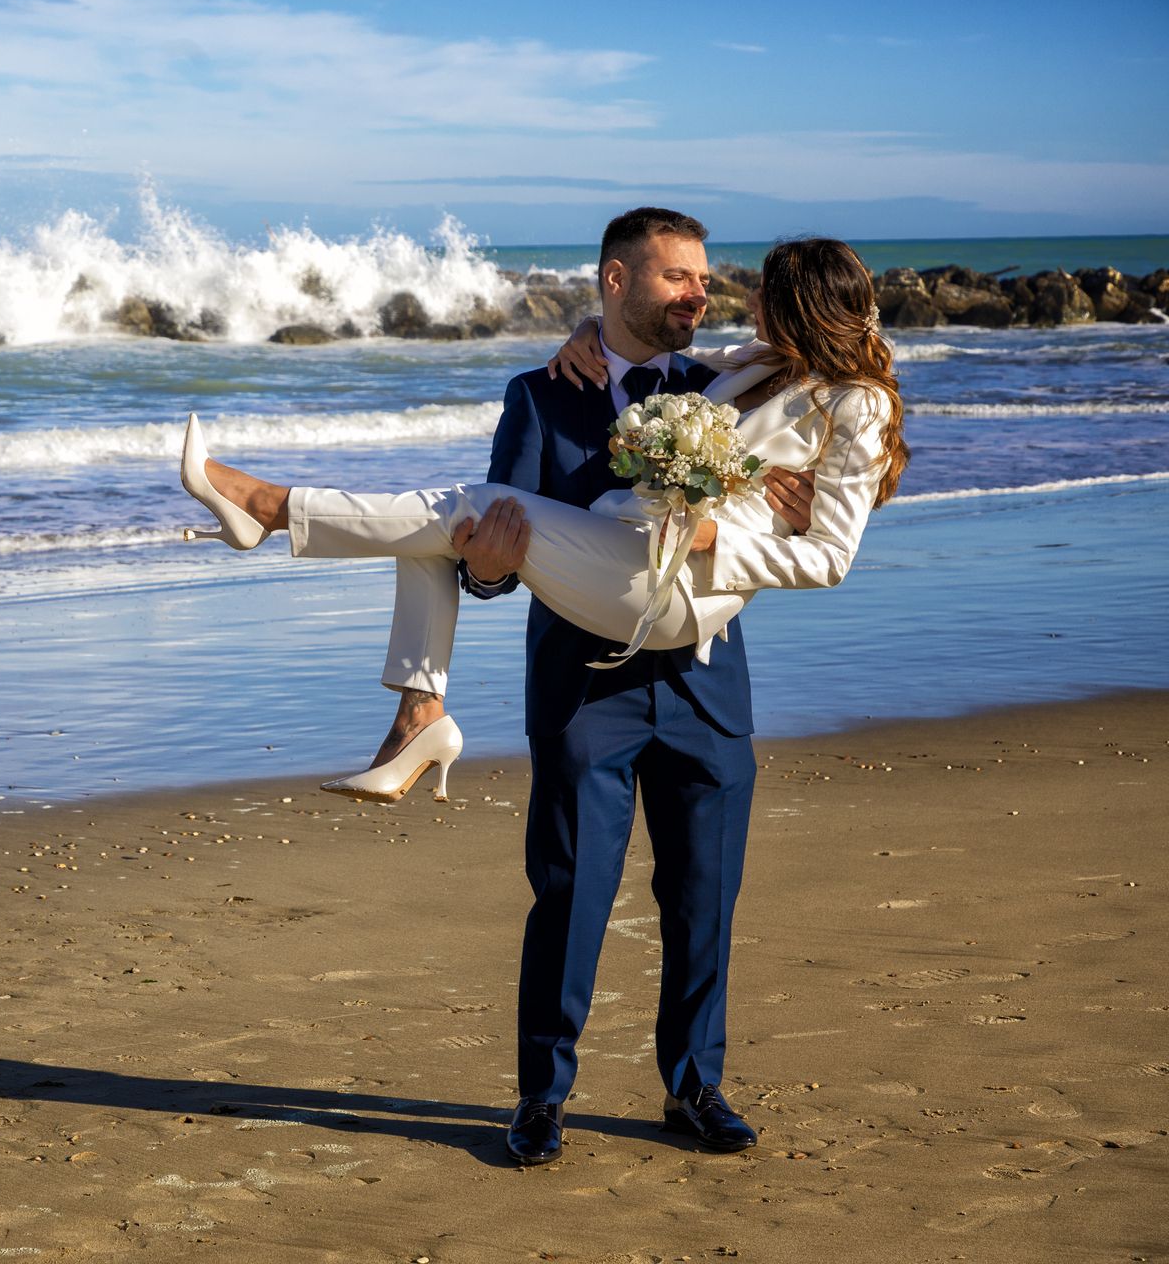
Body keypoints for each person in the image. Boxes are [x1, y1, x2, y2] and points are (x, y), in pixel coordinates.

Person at [179, 219, 909, 1164]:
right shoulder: (543, 394)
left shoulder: (726, 381)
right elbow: (487, 577)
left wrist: (732, 521)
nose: (704, 296)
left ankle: (695, 1089)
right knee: (568, 891)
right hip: (584, 679)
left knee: (704, 894)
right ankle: (542, 1098)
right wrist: (491, 562)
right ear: (616, 280)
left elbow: (826, 520)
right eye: (679, 278)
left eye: (711, 281)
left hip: (701, 670)